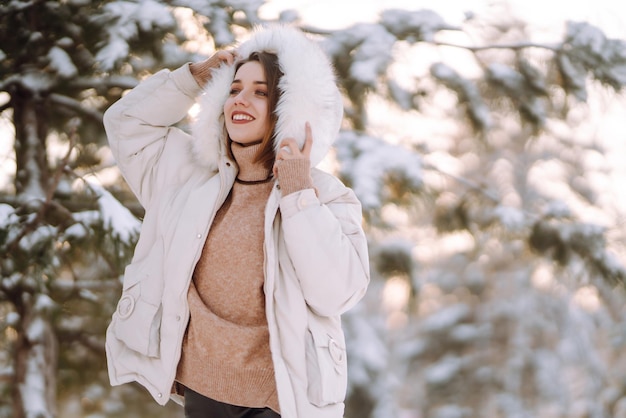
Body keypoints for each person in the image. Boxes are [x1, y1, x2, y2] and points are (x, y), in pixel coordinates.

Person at [103, 25, 370, 418]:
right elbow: (126, 123)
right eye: (233, 89)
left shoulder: (326, 196)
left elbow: (338, 292)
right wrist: (192, 79)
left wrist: (298, 194)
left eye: (261, 92)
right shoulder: (186, 176)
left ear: (288, 108)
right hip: (203, 390)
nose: (240, 100)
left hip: (277, 400)